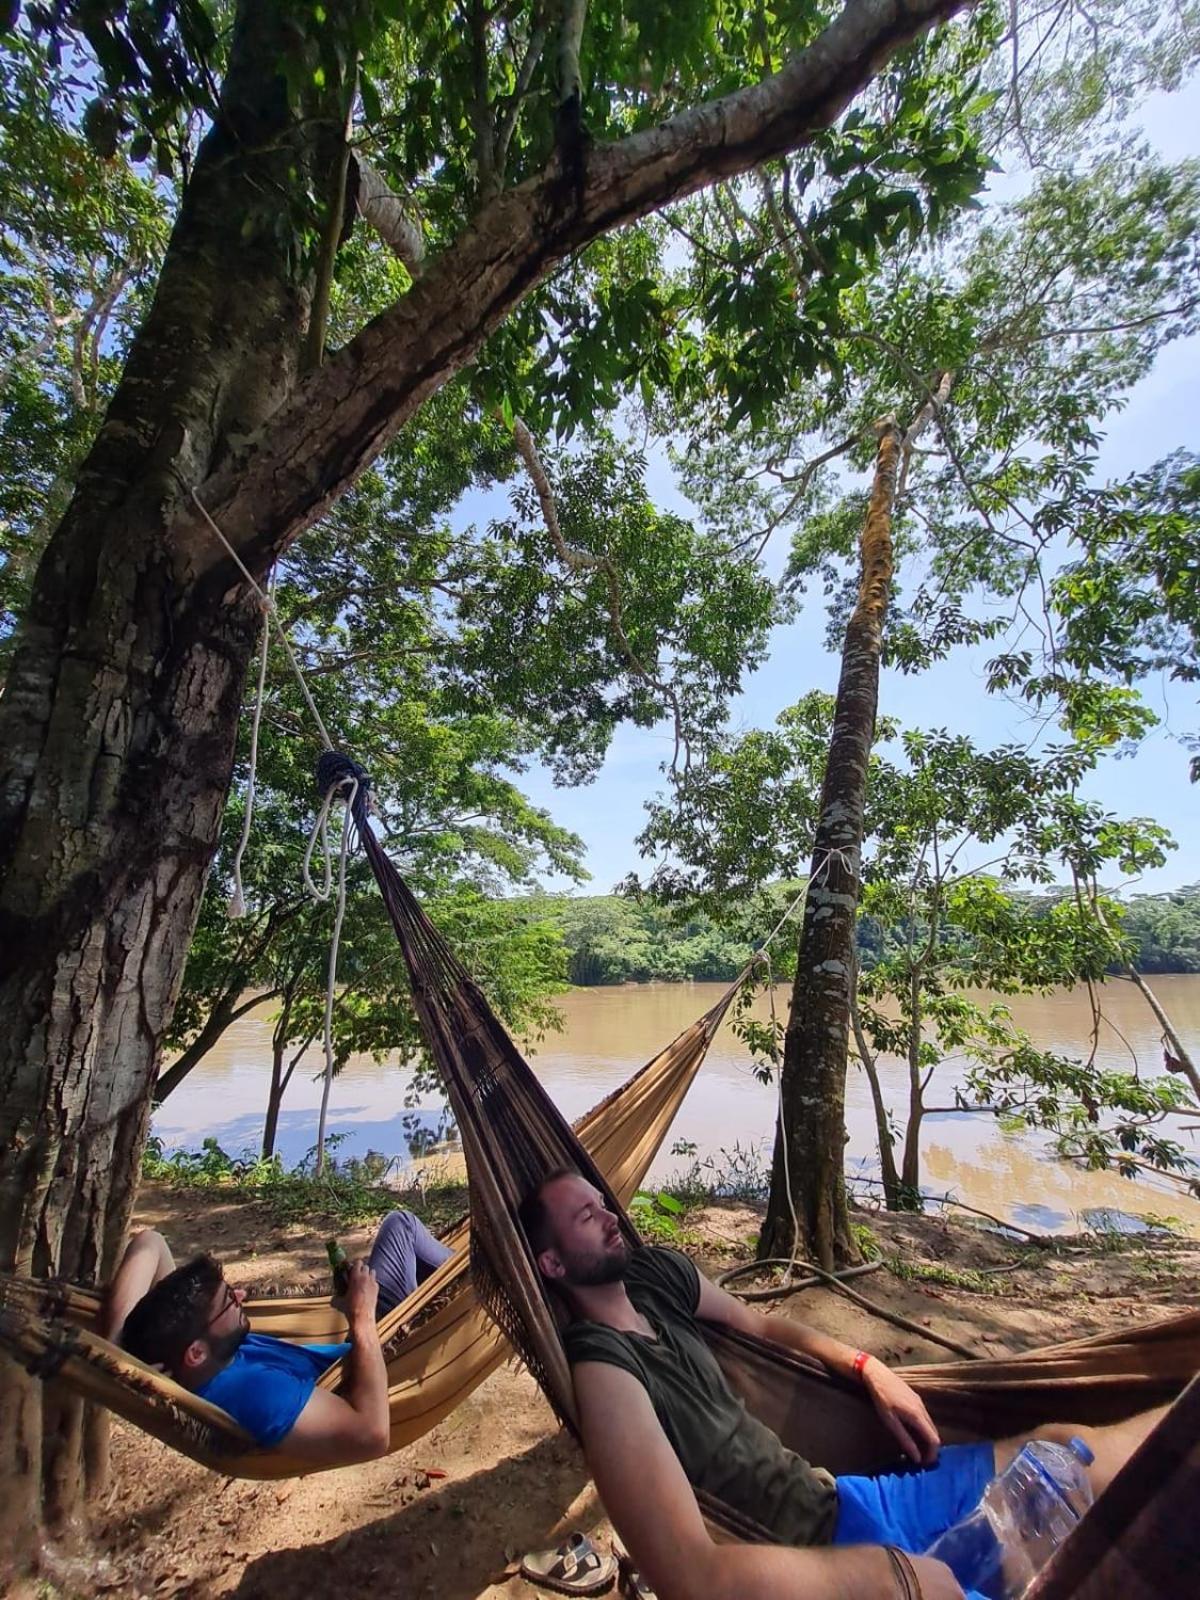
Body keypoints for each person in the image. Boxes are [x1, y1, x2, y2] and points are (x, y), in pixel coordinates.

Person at [519, 1170, 1168, 1600]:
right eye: (585, 1218)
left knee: (1062, 1452)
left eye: (602, 1202)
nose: (609, 1216)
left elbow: (761, 1326)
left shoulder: (657, 1278)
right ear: (552, 1263)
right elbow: (691, 1575)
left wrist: (868, 1368)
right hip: (817, 1562)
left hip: (853, 1501)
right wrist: (884, 1579)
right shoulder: (605, 1372)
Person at [103, 1209, 452, 1468]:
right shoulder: (255, 1392)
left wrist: (119, 1359)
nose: (240, 1296)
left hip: (362, 1342)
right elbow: (372, 1436)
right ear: (195, 1353)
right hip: (387, 1353)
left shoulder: (198, 1356)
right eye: (228, 1302)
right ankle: (478, 1271)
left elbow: (150, 1243)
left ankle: (466, 1273)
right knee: (404, 1226)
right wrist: (361, 1315)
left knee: (407, 1237)